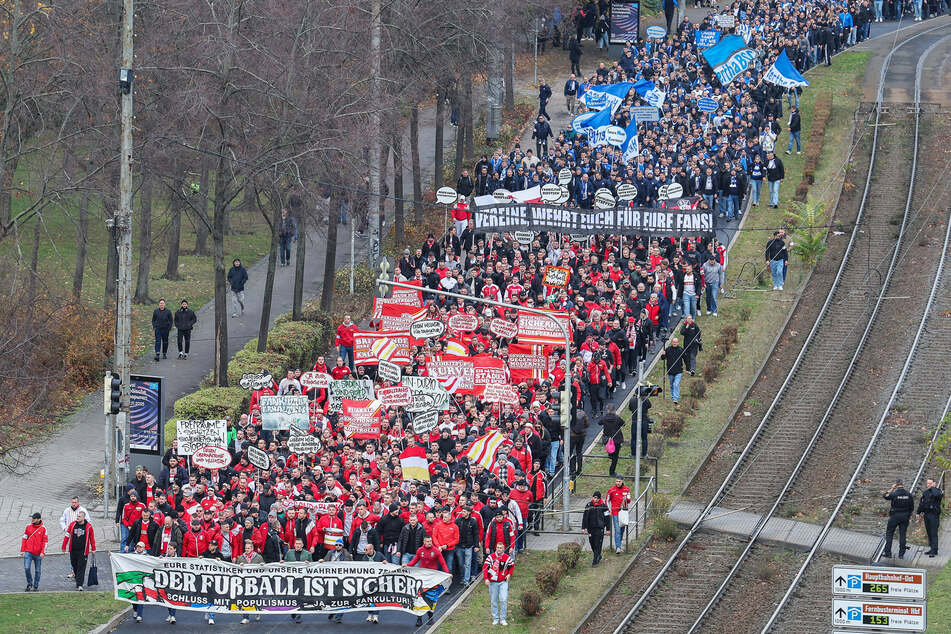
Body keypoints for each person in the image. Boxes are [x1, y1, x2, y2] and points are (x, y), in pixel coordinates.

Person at [406, 535, 448, 626]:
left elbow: (443, 563)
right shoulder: (420, 550)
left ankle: (430, 618)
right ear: (424, 542)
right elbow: (414, 561)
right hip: (422, 578)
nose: (429, 543)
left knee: (432, 598)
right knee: (420, 597)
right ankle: (419, 619)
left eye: (430, 541)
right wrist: (406, 566)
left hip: (433, 578)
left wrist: (448, 573)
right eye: (427, 541)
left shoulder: (436, 551)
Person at [483, 541, 514, 626]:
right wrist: (486, 578)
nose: (499, 549)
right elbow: (485, 568)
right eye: (497, 548)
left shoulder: (507, 558)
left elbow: (512, 566)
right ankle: (496, 618)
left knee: (503, 599)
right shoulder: (490, 557)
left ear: (504, 549)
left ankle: (503, 619)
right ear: (495, 548)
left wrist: (509, 574)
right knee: (494, 601)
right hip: (493, 583)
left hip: (503, 582)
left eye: (501, 548)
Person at [62, 510, 95, 591]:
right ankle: (78, 579)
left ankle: (80, 584)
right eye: (77, 516)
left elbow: (92, 538)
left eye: (79, 516)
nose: (77, 518)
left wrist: (93, 548)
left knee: (81, 567)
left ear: (83, 517)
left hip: (83, 551)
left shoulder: (88, 526)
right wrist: (64, 546)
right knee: (74, 566)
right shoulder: (72, 525)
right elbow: (67, 535)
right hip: (73, 550)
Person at [882, 479, 914, 559]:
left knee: (889, 533)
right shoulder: (908, 494)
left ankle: (888, 553)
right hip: (905, 516)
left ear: (896, 485)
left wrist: (892, 489)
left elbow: (885, 496)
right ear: (903, 484)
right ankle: (901, 554)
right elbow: (912, 507)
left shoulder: (894, 494)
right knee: (902, 534)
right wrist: (908, 515)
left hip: (894, 516)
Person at [60, 497, 88, 579]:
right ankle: (73, 570)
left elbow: (88, 522)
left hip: (80, 535)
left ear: (78, 502)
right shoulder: (67, 510)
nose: (73, 504)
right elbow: (62, 520)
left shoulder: (83, 510)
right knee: (72, 554)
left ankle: (76, 571)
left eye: (75, 502)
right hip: (70, 534)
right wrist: (65, 528)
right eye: (72, 502)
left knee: (79, 555)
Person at [581, 491, 609, 566]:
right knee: (592, 543)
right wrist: (583, 527)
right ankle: (598, 555)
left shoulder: (603, 506)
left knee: (598, 544)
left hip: (600, 528)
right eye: (594, 497)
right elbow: (585, 517)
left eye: (597, 498)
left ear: (599, 499)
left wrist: (608, 529)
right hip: (590, 529)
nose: (595, 499)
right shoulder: (588, 505)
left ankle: (595, 560)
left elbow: (607, 518)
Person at [21, 512, 47, 592]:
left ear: (38, 519)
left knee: (38, 570)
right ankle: (29, 583)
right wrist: (22, 550)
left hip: (38, 553)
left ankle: (35, 585)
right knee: (27, 568)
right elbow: (24, 539)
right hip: (28, 552)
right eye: (32, 518)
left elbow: (45, 541)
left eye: (34, 518)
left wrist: (43, 552)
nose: (32, 519)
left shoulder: (43, 529)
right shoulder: (28, 527)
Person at [917, 479, 943, 557]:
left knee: (933, 533)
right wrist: (918, 512)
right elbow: (922, 503)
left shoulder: (938, 491)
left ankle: (934, 550)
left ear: (934, 483)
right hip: (927, 514)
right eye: (927, 483)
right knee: (929, 532)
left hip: (934, 515)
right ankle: (932, 548)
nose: (928, 485)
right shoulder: (925, 492)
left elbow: (936, 495)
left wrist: (933, 487)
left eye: (930, 483)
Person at [607, 478, 631, 554]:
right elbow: (607, 501)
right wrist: (609, 510)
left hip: (623, 512)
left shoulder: (627, 489)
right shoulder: (611, 490)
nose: (618, 483)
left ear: (622, 481)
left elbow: (629, 500)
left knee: (622, 530)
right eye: (616, 481)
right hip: (615, 513)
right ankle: (618, 547)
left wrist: (626, 498)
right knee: (617, 530)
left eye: (619, 481)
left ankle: (619, 544)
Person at [598, 411, 624, 476]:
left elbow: (599, 423)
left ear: (608, 410)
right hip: (616, 439)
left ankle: (610, 454)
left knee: (611, 450)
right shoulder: (617, 418)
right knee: (615, 457)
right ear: (614, 411)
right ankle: (612, 472)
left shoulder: (604, 418)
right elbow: (623, 424)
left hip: (607, 439)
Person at [661, 337, 685, 405]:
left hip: (679, 371)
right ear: (672, 342)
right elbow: (663, 358)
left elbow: (685, 358)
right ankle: (673, 397)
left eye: (676, 342)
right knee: (672, 385)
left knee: (676, 384)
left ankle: (675, 398)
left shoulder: (681, 350)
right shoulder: (668, 349)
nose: (674, 343)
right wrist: (663, 354)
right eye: (673, 342)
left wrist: (688, 367)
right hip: (670, 371)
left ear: (678, 343)